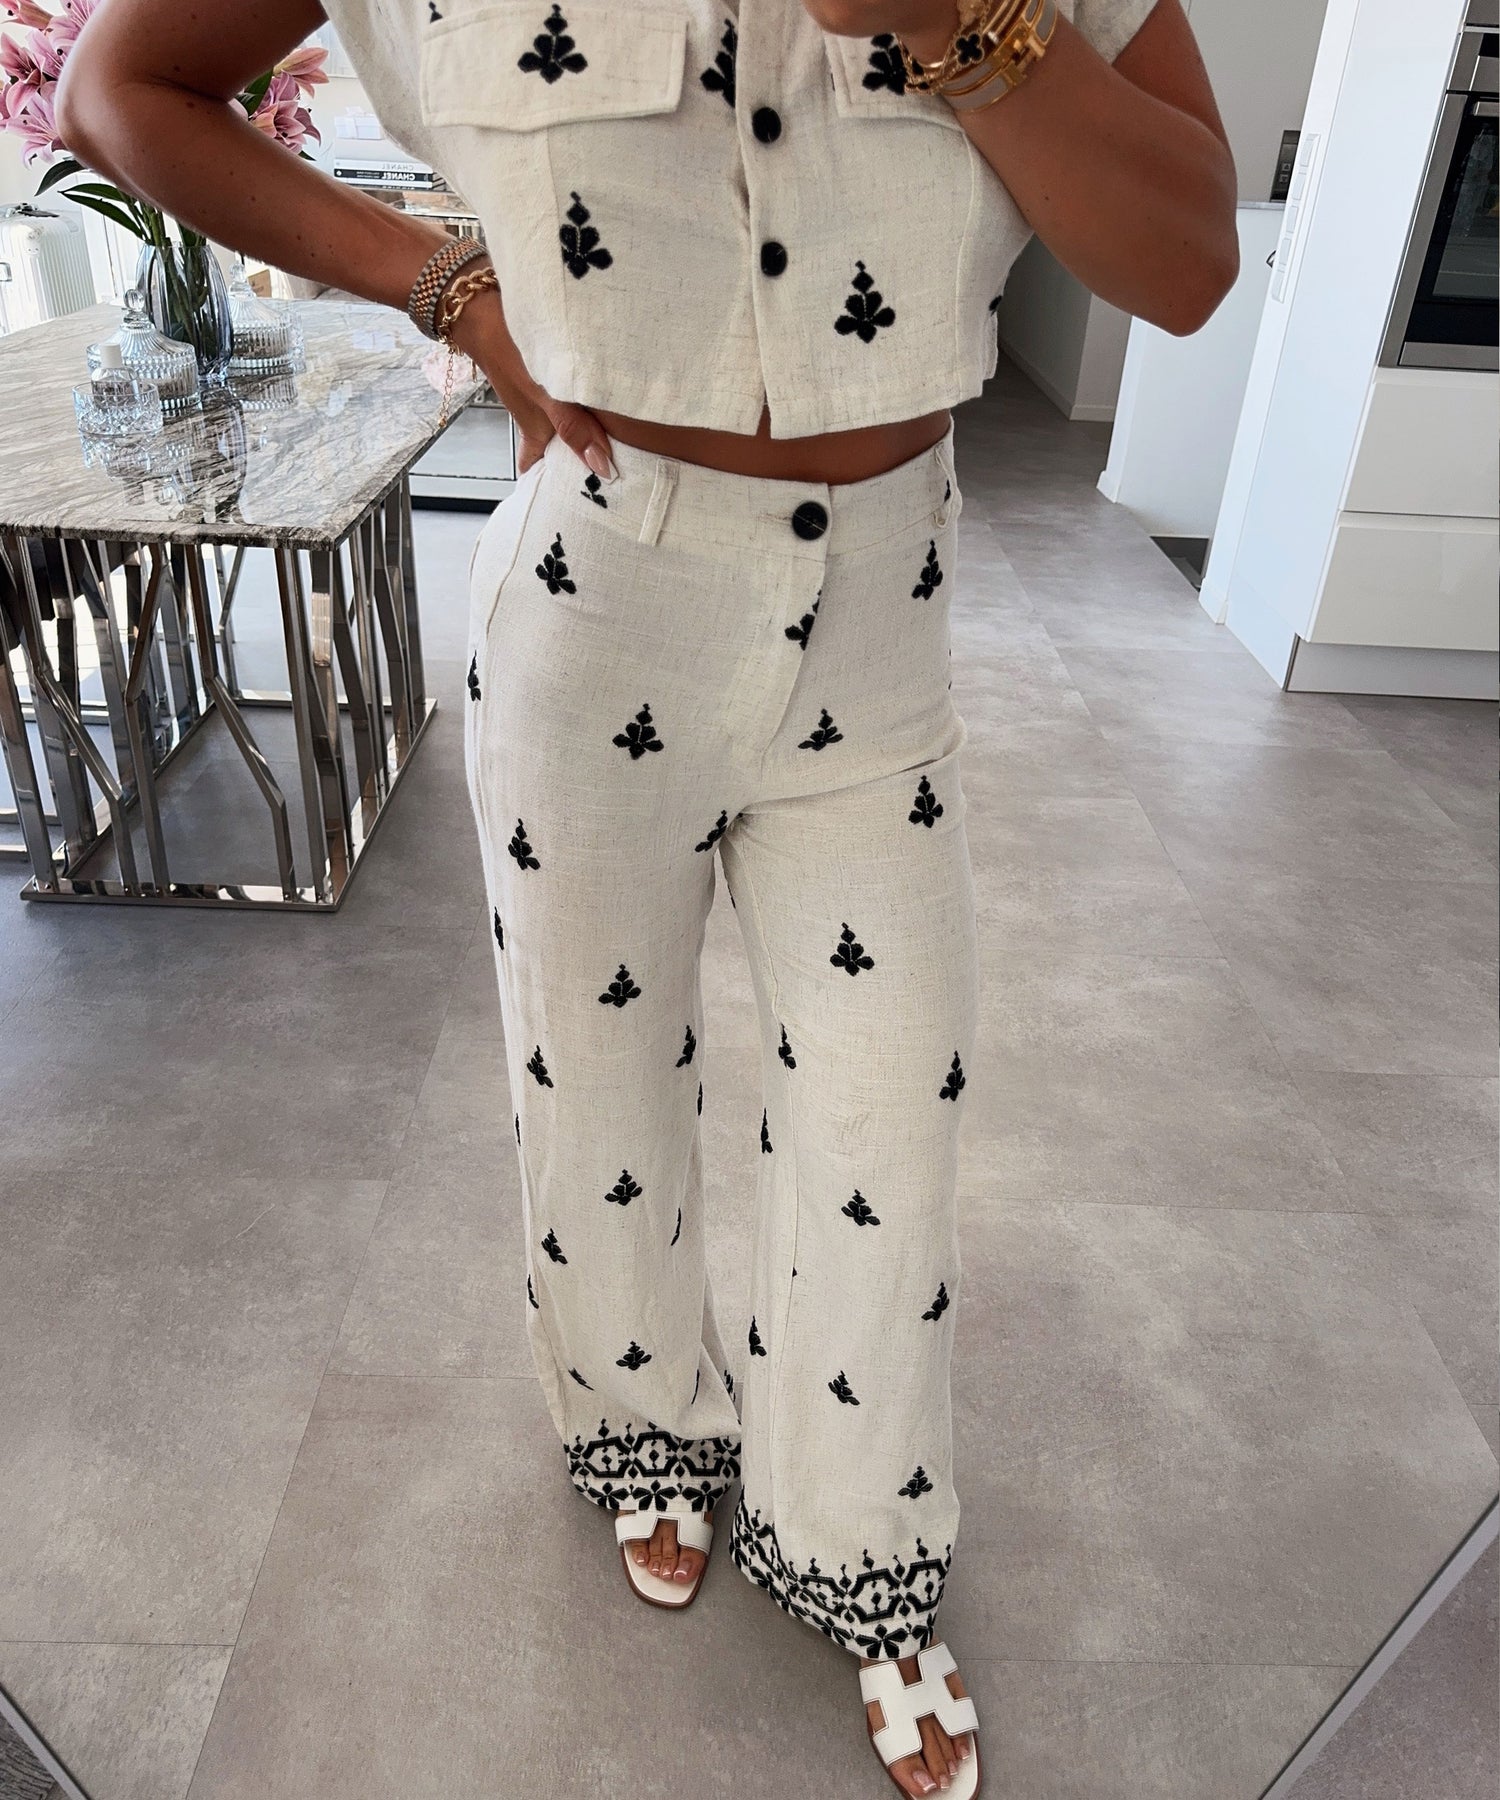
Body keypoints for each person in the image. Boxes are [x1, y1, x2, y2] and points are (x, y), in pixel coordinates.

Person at [57, 3, 1236, 1792]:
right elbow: (120, 88)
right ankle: (641, 1425)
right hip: (601, 587)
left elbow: (1191, 263)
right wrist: (443, 283)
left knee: (884, 1109)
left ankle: (859, 1537)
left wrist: (959, 22)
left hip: (883, 622)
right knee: (595, 1075)